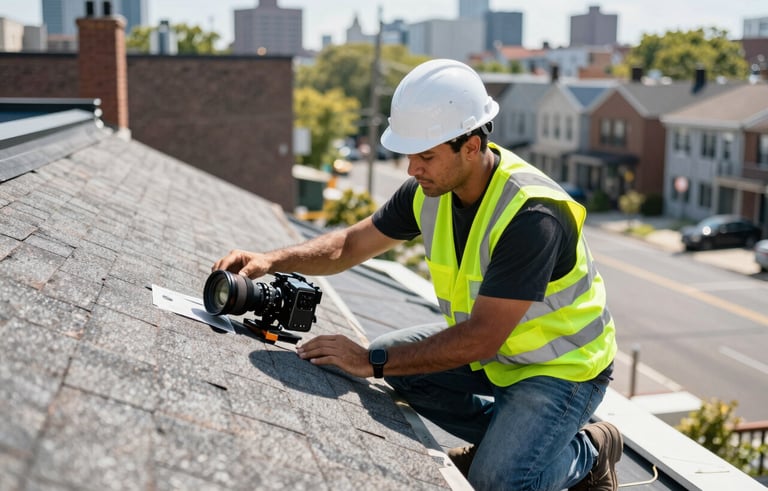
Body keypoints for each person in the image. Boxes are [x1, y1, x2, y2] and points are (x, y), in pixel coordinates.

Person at [213, 58, 622, 491]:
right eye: (410, 155)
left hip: (562, 366)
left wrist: (368, 362)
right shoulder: (429, 192)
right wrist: (272, 260)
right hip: (497, 353)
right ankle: (512, 443)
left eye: (425, 156)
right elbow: (348, 246)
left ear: (471, 145)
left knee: (499, 482)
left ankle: (591, 449)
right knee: (396, 362)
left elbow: (481, 337)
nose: (412, 169)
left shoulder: (532, 215)